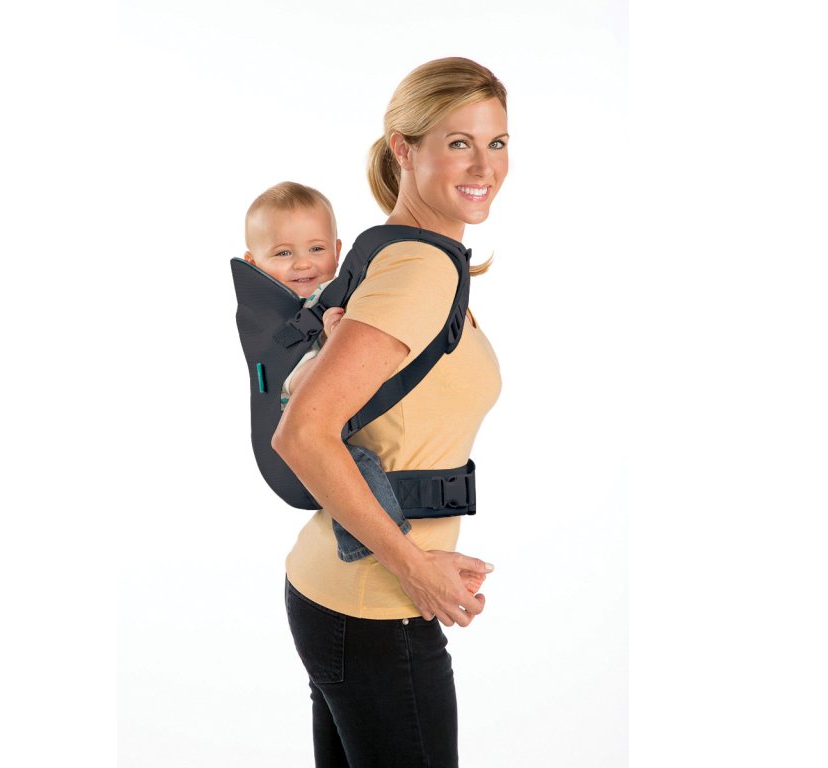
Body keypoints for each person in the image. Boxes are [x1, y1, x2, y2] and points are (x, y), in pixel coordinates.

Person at [272, 57, 508, 767]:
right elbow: (302, 433)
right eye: (458, 142)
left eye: (497, 142)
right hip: (378, 606)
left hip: (342, 594)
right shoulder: (419, 271)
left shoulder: (404, 256)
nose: (484, 166)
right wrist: (416, 567)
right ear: (404, 148)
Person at [242, 181, 412, 563]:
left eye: (316, 249)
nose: (303, 263)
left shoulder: (337, 292)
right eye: (283, 253)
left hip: (329, 400)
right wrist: (337, 343)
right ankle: (373, 546)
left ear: (337, 251)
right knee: (356, 465)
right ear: (254, 264)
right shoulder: (275, 316)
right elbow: (300, 380)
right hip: (294, 393)